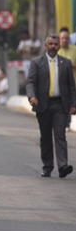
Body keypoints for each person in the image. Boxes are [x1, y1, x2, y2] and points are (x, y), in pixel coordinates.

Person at [26, 34, 76, 178]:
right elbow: (31, 82)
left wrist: (73, 104)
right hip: (43, 105)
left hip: (60, 105)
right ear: (46, 45)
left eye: (56, 44)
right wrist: (32, 96)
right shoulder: (36, 62)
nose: (53, 46)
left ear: (59, 46)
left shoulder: (66, 63)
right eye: (51, 44)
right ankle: (47, 166)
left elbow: (71, 86)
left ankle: (63, 166)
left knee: (60, 135)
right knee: (46, 137)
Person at [58, 29, 76, 129]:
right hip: (59, 83)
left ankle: (68, 123)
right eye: (63, 38)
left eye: (67, 38)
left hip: (72, 82)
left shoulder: (74, 49)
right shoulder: (56, 50)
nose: (65, 40)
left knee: (70, 103)